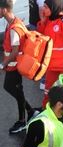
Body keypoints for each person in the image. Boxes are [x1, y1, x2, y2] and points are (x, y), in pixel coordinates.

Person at [1, 0, 34, 134]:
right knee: (15, 90)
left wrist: (4, 63)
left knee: (14, 89)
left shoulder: (14, 28)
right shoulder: (14, 22)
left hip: (14, 67)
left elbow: (15, 52)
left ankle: (22, 121)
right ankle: (30, 112)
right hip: (14, 66)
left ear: (3, 10)